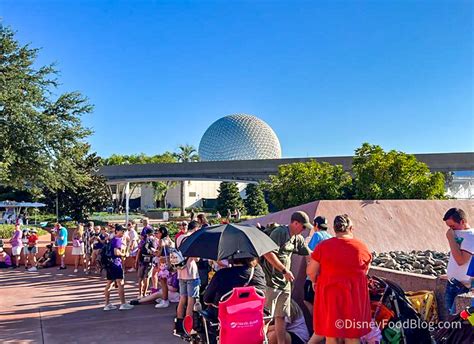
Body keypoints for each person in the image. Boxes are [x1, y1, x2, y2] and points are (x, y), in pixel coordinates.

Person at [307, 214, 372, 344]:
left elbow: (311, 271)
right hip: (354, 298)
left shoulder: (323, 247)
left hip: (330, 296)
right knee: (352, 335)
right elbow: (365, 271)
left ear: (334, 229)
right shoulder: (362, 247)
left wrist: (315, 281)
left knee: (331, 335)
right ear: (351, 228)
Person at [262, 211, 312, 344]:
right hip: (272, 282)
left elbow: (309, 254)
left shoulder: (297, 238)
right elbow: (268, 253)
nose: (304, 230)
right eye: (303, 226)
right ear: (295, 223)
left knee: (281, 316)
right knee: (267, 317)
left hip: (285, 283)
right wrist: (284, 270)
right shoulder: (280, 233)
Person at [443, 208, 474, 315]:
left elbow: (461, 260)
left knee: (455, 321)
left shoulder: (471, 236)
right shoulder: (458, 234)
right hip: (451, 283)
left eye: (453, 227)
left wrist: (451, 239)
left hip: (461, 286)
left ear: (462, 222)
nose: (451, 230)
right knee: (449, 321)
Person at [175, 220, 201, 335]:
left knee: (182, 299)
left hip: (181, 272)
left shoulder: (180, 238)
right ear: (196, 228)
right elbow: (196, 258)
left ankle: (179, 324)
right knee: (192, 300)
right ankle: (188, 326)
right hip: (191, 272)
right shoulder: (192, 239)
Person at [304, 216, 332, 319]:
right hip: (325, 275)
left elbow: (310, 253)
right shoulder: (330, 237)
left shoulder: (317, 235)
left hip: (314, 275)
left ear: (316, 225)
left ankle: (317, 324)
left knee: (307, 300)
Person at [103, 225, 134, 311]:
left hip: (109, 264)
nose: (123, 233)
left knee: (109, 283)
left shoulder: (112, 240)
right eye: (121, 231)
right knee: (120, 283)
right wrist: (124, 254)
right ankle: (123, 303)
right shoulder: (117, 240)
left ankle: (107, 304)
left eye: (124, 231)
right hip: (116, 264)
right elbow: (116, 252)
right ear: (116, 231)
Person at [154, 226, 175, 309]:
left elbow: (159, 253)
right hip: (169, 263)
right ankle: (164, 298)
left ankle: (165, 300)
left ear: (161, 233)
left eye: (158, 232)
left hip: (163, 263)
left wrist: (155, 252)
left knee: (163, 283)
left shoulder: (161, 241)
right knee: (165, 283)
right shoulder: (169, 240)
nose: (157, 234)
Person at [135, 227, 158, 298]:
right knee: (147, 277)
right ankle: (144, 293)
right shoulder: (154, 240)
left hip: (142, 260)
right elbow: (154, 250)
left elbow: (138, 251)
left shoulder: (142, 241)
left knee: (140, 277)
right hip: (150, 260)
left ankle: (139, 294)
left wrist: (136, 260)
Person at [196, 214, 211, 292]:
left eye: (198, 219)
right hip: (204, 255)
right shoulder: (205, 226)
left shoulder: (205, 227)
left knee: (204, 276)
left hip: (204, 255)